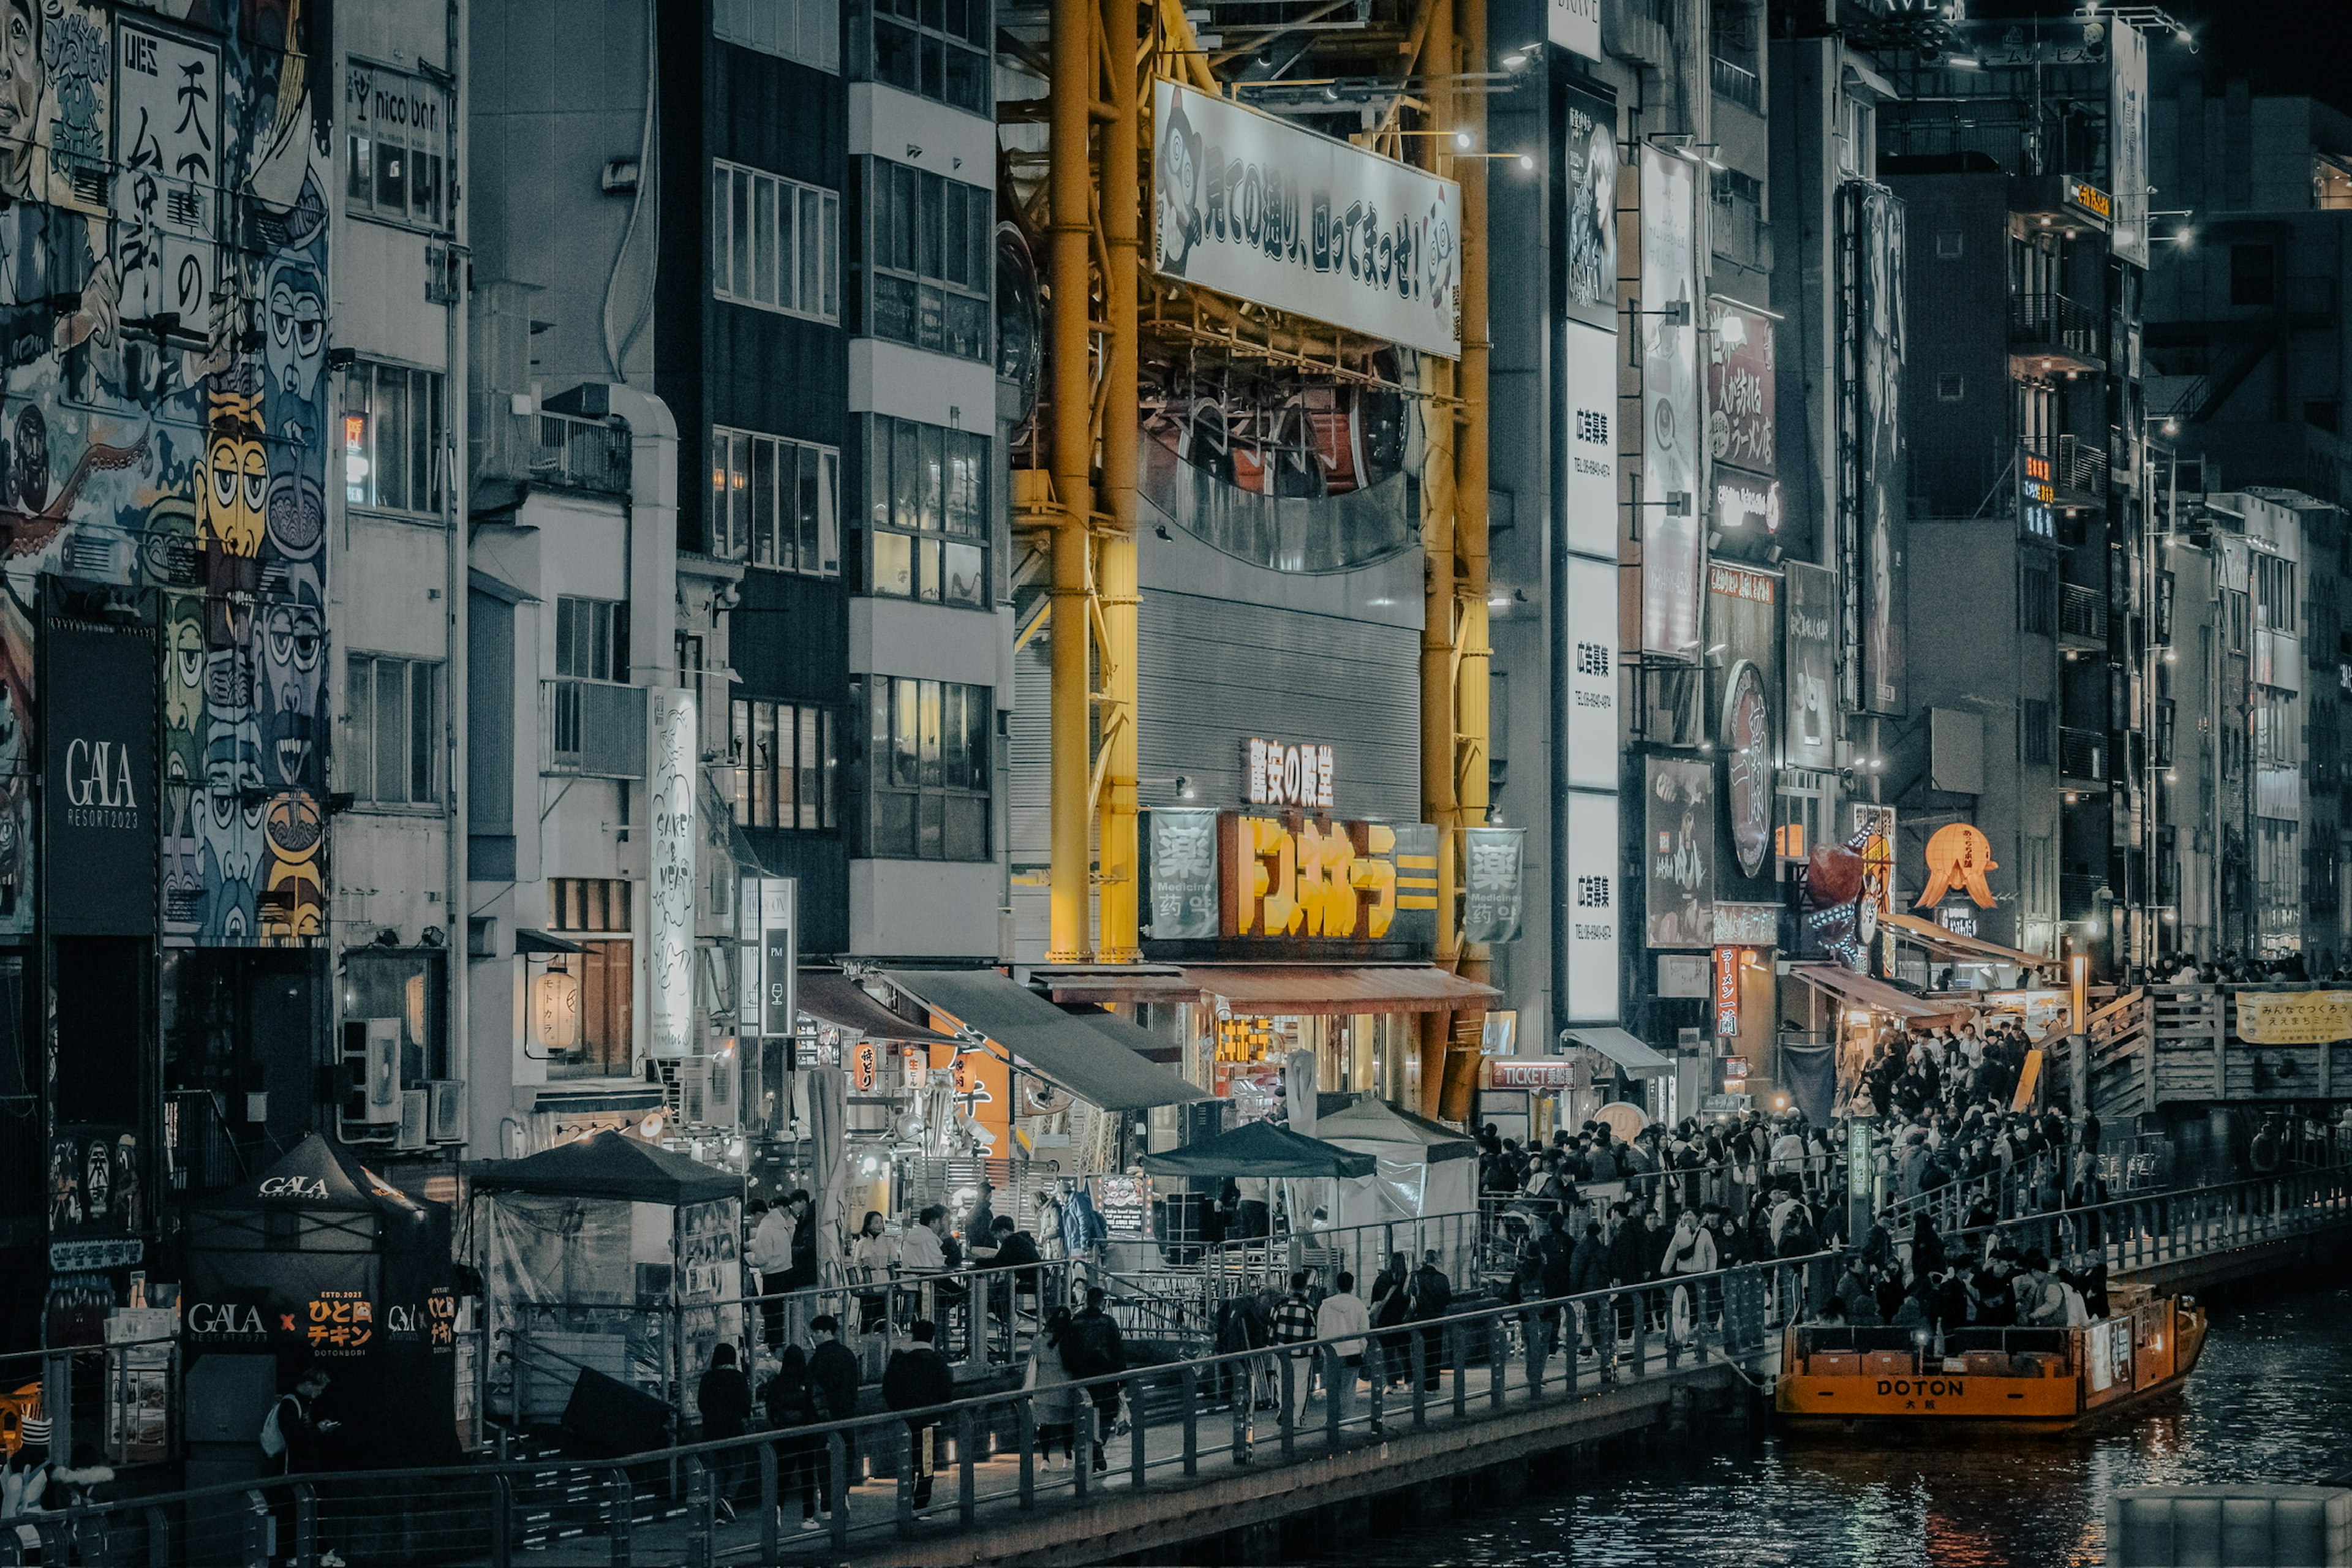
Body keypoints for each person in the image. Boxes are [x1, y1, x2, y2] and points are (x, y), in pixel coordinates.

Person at [881, 1320, 955, 1507]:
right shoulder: (937, 1361)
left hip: (904, 1421)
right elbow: (946, 1391)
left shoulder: (899, 1358)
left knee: (906, 1460)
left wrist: (898, 1409)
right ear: (932, 1337)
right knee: (927, 1463)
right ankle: (921, 1502)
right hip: (930, 1420)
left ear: (912, 1335)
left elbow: (888, 1388)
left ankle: (904, 1500)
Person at [761, 1346, 828, 1532]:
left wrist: (778, 1425)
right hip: (807, 1435)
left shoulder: (777, 1383)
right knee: (808, 1476)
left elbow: (771, 1409)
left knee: (782, 1475)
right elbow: (819, 1408)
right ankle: (808, 1517)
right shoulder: (809, 1380)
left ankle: (776, 1511)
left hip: (784, 1435)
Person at [1061, 1286, 1128, 1471]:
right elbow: (1118, 1351)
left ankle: (1092, 1450)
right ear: (1103, 1303)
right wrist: (1123, 1379)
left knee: (1086, 1414)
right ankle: (1098, 1445)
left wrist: (1071, 1369)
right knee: (1106, 1413)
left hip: (1082, 1376)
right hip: (1106, 1377)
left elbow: (1067, 1351)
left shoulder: (1076, 1322)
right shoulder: (1108, 1323)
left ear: (1087, 1301)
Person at [806, 1314, 862, 1507]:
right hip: (847, 1415)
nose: (814, 1335)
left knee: (824, 1460)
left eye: (817, 1332)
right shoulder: (847, 1355)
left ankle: (828, 1502)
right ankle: (843, 1494)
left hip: (825, 1418)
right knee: (847, 1456)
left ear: (827, 1332)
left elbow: (812, 1389)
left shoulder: (818, 1359)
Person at [697, 1343, 755, 1522]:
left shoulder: (707, 1378)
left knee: (717, 1469)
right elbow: (746, 1406)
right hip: (733, 1429)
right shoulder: (738, 1378)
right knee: (739, 1466)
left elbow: (702, 1404)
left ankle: (718, 1510)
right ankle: (727, 1498)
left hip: (711, 1430)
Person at [1025, 1307, 1083, 1466]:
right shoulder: (1070, 1338)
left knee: (1045, 1425)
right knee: (1067, 1424)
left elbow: (1031, 1362)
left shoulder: (1039, 1339)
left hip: (1043, 1388)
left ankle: (1045, 1459)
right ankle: (1068, 1457)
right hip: (1065, 1387)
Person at [1314, 1271, 1370, 1424]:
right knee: (1348, 1388)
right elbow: (1364, 1331)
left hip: (1331, 1353)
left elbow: (1320, 1330)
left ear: (1337, 1285)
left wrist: (1322, 1349)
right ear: (1352, 1286)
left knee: (1332, 1388)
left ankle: (1331, 1419)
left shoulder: (1326, 1305)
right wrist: (1362, 1349)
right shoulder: (1358, 1305)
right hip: (1352, 1352)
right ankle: (1346, 1420)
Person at [261, 1366, 337, 1476]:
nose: (320, 1393)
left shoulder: (302, 1402)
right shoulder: (290, 1403)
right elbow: (293, 1435)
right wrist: (318, 1429)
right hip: (289, 1464)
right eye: (319, 1389)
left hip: (298, 1463)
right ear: (309, 1384)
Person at [1268, 1270, 1320, 1425]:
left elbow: (1271, 1331)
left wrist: (1271, 1348)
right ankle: (1296, 1419)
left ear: (1289, 1286)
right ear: (1305, 1287)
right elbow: (1316, 1331)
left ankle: (1284, 1410)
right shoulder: (1311, 1308)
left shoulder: (1280, 1306)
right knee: (1301, 1386)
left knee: (1282, 1383)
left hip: (1283, 1353)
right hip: (1304, 1354)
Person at [750, 1197, 799, 1350]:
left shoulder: (764, 1229)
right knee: (783, 1314)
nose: (752, 1220)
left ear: (758, 1214)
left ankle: (774, 1346)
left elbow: (762, 1258)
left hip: (773, 1278)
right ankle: (781, 1345)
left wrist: (748, 1257)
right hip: (787, 1274)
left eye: (752, 1216)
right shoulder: (779, 1224)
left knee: (772, 1314)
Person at [1406, 1251, 1452, 1391]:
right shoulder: (1442, 1278)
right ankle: (1432, 1385)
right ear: (1436, 1261)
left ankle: (1420, 1382)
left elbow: (1409, 1293)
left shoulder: (1416, 1277)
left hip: (1420, 1318)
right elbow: (1447, 1299)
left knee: (1420, 1351)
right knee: (1435, 1351)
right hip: (1437, 1318)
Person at [1368, 1251, 1412, 1388]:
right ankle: (1409, 1382)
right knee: (1405, 1353)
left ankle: (1391, 1384)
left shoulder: (1382, 1278)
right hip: (1402, 1321)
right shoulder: (1407, 1279)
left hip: (1385, 1321)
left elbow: (1375, 1300)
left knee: (1388, 1354)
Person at [850, 1210, 899, 1332]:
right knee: (868, 1312)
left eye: (881, 1222)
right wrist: (862, 1278)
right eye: (876, 1222)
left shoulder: (888, 1243)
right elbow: (856, 1263)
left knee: (884, 1311)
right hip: (867, 1283)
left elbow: (894, 1262)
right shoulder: (862, 1244)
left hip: (885, 1281)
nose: (879, 1225)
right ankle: (865, 1335)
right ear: (868, 1225)